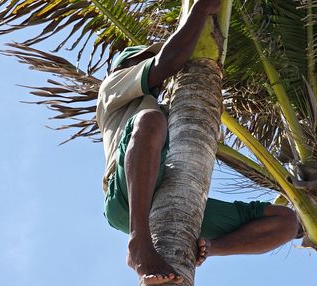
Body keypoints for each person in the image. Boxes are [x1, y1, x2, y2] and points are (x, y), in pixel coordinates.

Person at [96, 0, 299, 285]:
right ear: (125, 67)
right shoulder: (113, 88)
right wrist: (201, 10)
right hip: (125, 198)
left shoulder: (168, 111)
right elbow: (169, 62)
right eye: (141, 61)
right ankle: (138, 244)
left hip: (164, 186)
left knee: (286, 222)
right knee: (149, 121)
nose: (148, 65)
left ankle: (208, 249)